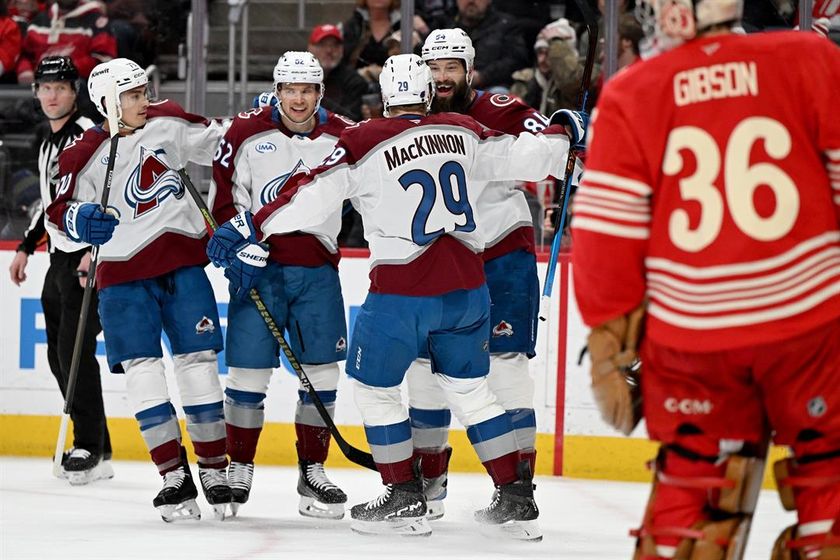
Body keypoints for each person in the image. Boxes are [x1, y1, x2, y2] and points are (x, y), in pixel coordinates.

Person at [206, 53, 580, 539]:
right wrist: (565, 132)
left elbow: (306, 194)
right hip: (468, 291)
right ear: (427, 93)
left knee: (375, 390)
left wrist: (248, 225)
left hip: (402, 293)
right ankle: (515, 494)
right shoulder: (465, 129)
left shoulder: (362, 140)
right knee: (472, 391)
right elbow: (529, 155)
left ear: (384, 99)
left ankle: (403, 494)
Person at [571, 1, 840, 557]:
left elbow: (608, 233)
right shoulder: (809, 56)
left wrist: (608, 338)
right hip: (810, 318)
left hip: (692, 334)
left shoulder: (632, 90)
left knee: (694, 473)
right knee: (829, 462)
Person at [407, 28, 586, 521]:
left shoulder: (501, 107)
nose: (442, 78)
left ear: (469, 69)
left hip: (501, 253)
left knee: (506, 367)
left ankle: (517, 490)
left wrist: (569, 132)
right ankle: (429, 478)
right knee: (424, 370)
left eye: (452, 68)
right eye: (434, 68)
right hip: (439, 257)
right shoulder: (409, 115)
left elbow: (550, 147)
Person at [45, 58, 231, 523]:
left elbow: (222, 141)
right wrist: (76, 221)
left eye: (144, 92)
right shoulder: (82, 154)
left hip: (183, 265)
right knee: (143, 371)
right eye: (132, 96)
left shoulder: (167, 119)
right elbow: (57, 217)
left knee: (199, 365)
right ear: (109, 101)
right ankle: (173, 473)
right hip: (122, 281)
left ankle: (213, 467)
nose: (143, 102)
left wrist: (260, 120)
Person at [209, 50, 354, 520]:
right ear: (276, 89)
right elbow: (225, 199)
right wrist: (237, 247)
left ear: (320, 92)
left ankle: (312, 472)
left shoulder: (345, 136)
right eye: (290, 89)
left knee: (323, 375)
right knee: (248, 374)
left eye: (307, 90)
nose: (298, 99)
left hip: (317, 271)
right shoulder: (244, 133)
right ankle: (239, 465)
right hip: (261, 268)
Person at [7, 55, 112, 485]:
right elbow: (51, 205)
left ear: (76, 92)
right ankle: (99, 445)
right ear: (36, 94)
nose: (52, 95)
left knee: (74, 351)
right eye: (45, 88)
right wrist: (26, 246)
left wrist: (96, 250)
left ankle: (89, 445)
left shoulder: (88, 134)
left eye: (61, 88)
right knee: (58, 354)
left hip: (88, 259)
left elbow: (106, 194)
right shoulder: (48, 142)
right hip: (59, 259)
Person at [15, 0, 116, 84]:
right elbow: (25, 54)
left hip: (78, 84)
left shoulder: (95, 20)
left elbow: (103, 59)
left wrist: (65, 70)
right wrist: (25, 71)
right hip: (40, 84)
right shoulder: (39, 20)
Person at [446, 0, 529, 91]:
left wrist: (482, 76)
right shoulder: (443, 24)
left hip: (490, 86)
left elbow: (515, 60)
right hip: (448, 84)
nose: (471, 1)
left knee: (498, 94)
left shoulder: (506, 25)